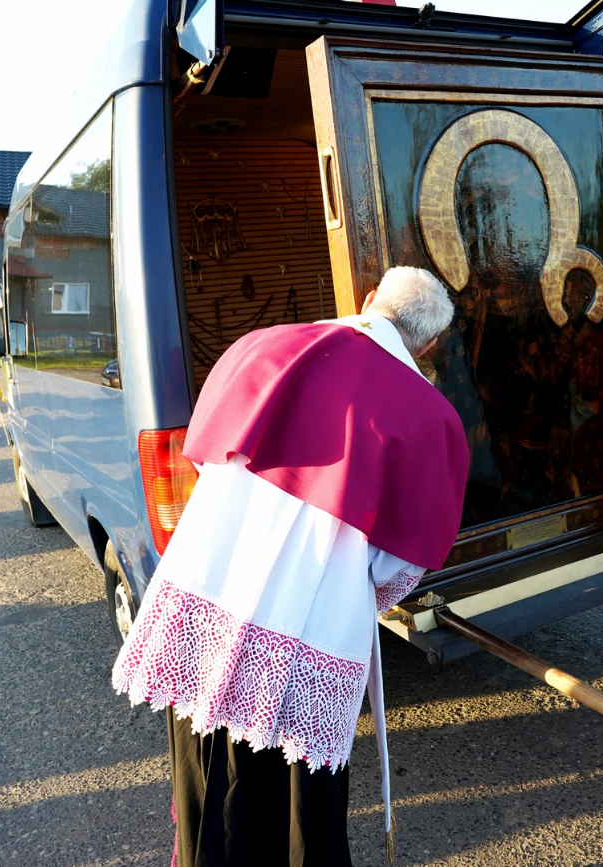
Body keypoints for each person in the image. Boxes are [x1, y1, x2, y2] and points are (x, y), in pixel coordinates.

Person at [112, 266, 470, 866]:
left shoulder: (261, 347)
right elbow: (401, 566)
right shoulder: (429, 417)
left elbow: (205, 466)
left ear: (366, 301)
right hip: (307, 635)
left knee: (208, 782)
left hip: (205, 603)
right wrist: (343, 596)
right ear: (429, 345)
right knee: (295, 808)